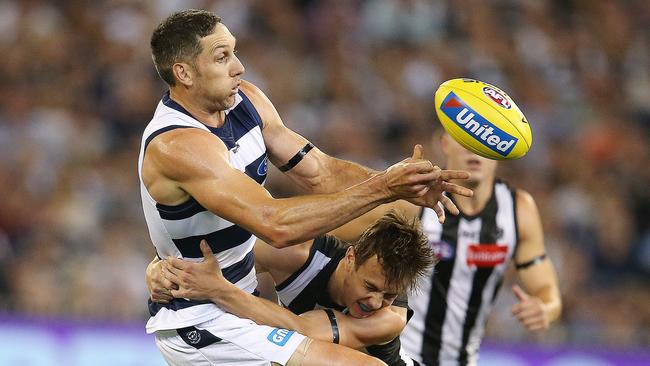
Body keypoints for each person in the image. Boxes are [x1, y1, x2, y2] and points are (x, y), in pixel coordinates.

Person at [140, 9, 472, 366]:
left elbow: (322, 173)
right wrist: (385, 187)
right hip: (202, 324)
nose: (239, 67)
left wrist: (403, 183)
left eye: (235, 52)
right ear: (184, 73)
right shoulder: (178, 146)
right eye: (222, 57)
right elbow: (274, 225)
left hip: (232, 307)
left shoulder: (246, 103)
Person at [333, 132, 562, 366]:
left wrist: (545, 308)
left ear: (498, 150)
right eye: (467, 141)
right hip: (396, 356)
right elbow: (331, 230)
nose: (475, 150)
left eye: (484, 142)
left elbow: (546, 288)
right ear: (445, 143)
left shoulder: (518, 210)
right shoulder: (413, 200)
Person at [148, 211, 435, 365]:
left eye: (388, 295)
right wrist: (159, 269)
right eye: (370, 287)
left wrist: (220, 290)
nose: (375, 302)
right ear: (351, 257)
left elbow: (301, 330)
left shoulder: (389, 320)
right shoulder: (294, 255)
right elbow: (210, 255)